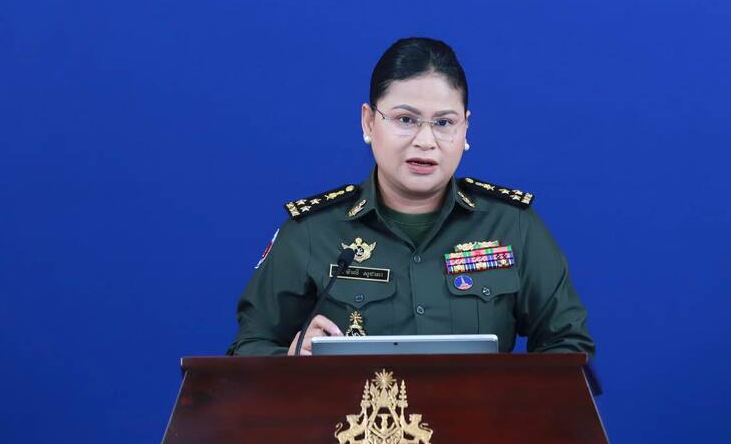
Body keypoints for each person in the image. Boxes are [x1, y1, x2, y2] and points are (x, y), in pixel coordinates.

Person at [227, 37, 594, 357]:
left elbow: (569, 346)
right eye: (406, 119)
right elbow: (248, 349)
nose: (425, 140)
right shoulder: (311, 232)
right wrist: (289, 359)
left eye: (444, 123)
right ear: (369, 122)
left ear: (466, 128)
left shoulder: (512, 226)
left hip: (480, 419)